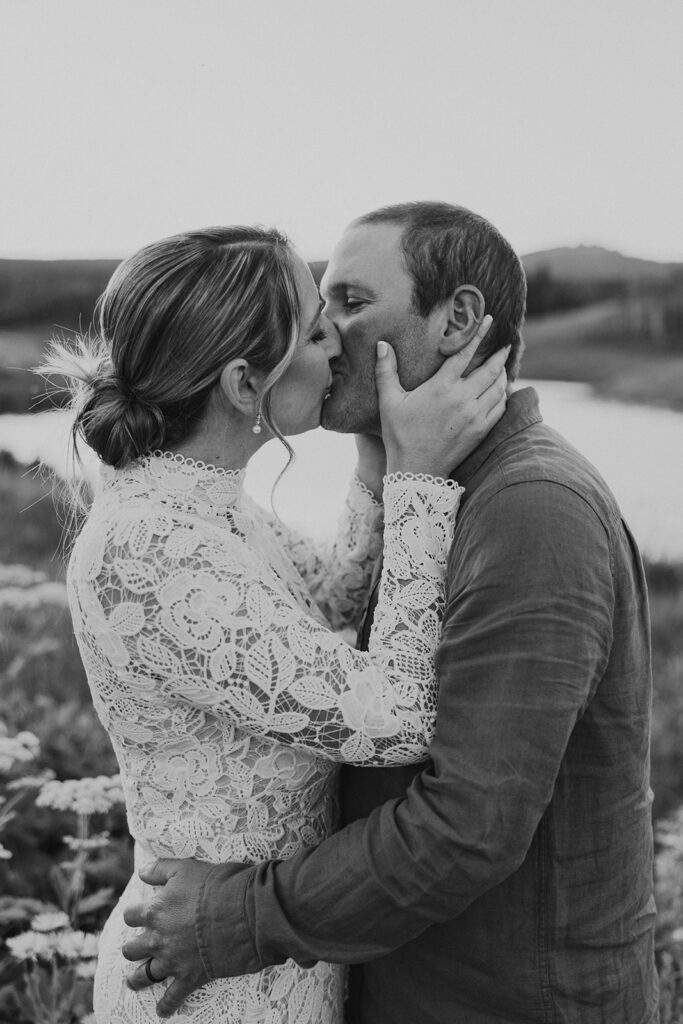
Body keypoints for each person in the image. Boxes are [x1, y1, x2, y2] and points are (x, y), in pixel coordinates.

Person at [122, 203, 659, 1024]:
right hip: (412, 982)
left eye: (350, 300)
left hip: (503, 1001)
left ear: (459, 321)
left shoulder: (530, 506)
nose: (328, 335)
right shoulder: (442, 484)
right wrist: (384, 453)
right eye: (321, 310)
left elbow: (466, 827)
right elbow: (340, 622)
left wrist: (238, 918)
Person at [48, 223, 508, 1024]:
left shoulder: (201, 500)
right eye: (313, 322)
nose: (340, 338)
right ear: (241, 383)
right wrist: (419, 481)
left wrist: (373, 452)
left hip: (269, 954)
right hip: (210, 986)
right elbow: (398, 718)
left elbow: (324, 606)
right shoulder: (151, 548)